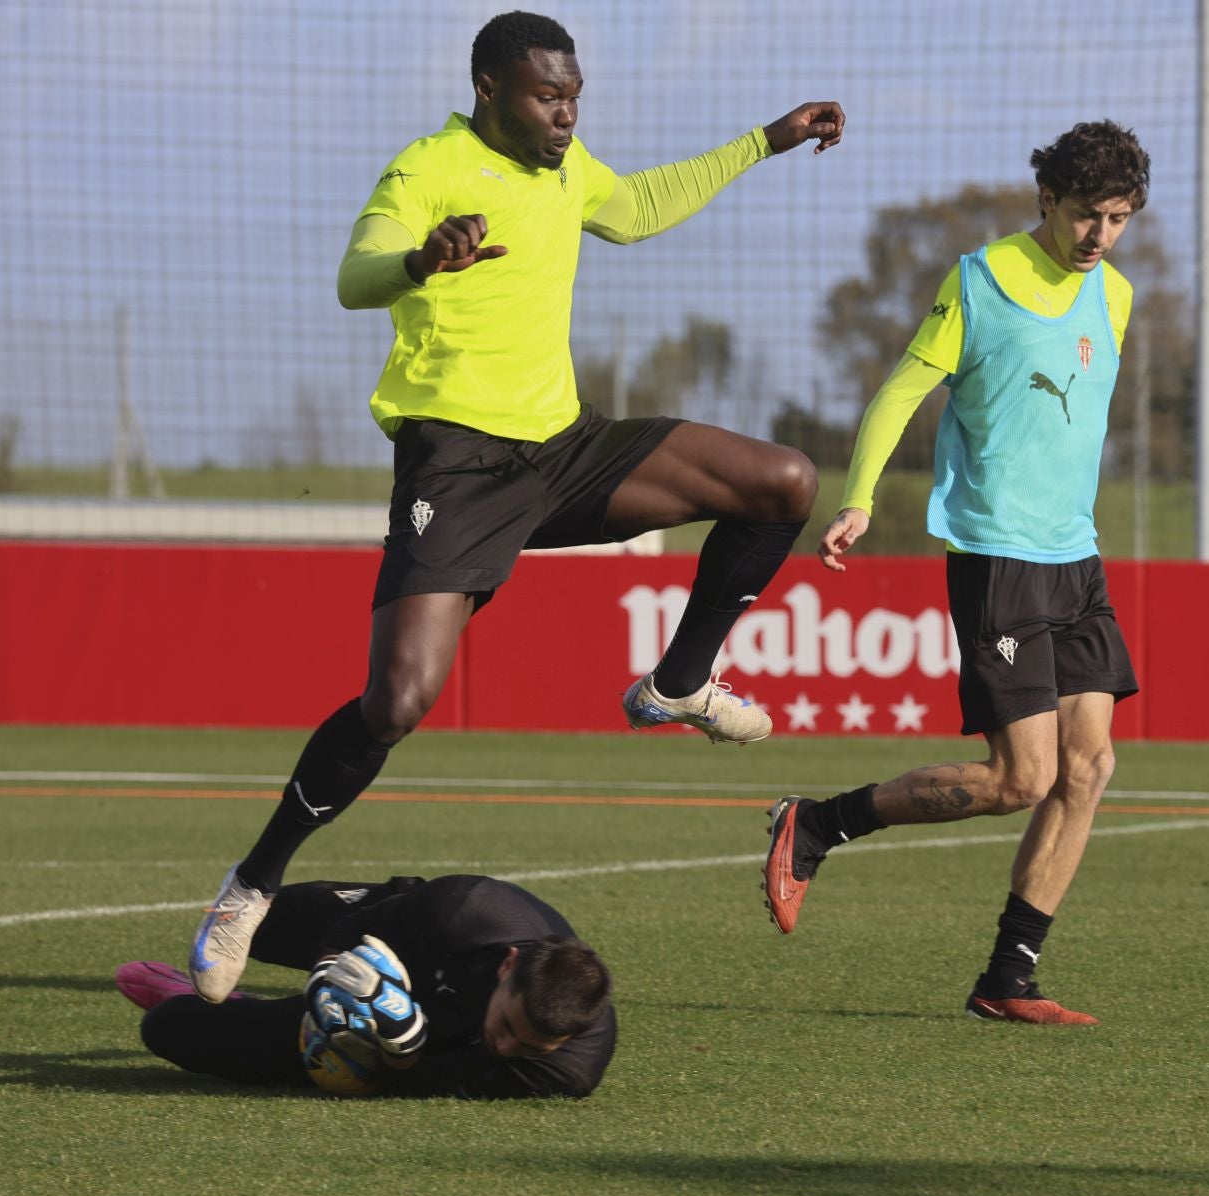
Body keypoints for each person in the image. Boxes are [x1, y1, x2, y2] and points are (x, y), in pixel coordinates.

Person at [188, 11, 845, 1002]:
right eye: (548, 95)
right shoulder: (428, 169)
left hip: (566, 449)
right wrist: (421, 261)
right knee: (397, 700)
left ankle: (678, 678)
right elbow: (353, 276)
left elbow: (636, 207)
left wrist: (766, 140)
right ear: (491, 89)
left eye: (575, 94)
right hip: (455, 466)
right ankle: (252, 884)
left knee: (781, 481)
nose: (567, 113)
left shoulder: (567, 169)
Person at [760, 121, 1151, 1026]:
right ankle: (818, 824)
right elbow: (902, 389)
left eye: (1120, 219)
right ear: (1047, 200)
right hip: (998, 559)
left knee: (1088, 769)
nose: (1100, 235)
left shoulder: (1118, 298)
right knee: (1021, 779)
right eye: (1088, 214)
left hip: (1076, 559)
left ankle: (1008, 980)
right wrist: (860, 498)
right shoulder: (979, 280)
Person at [126, 874, 614, 1099]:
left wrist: (402, 1042)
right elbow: (345, 937)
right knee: (262, 921)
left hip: (417, 1038)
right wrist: (327, 983)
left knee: (169, 1027)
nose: (505, 1047)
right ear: (509, 967)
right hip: (410, 936)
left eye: (529, 1046)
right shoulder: (464, 909)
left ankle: (241, 1007)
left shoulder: (567, 1068)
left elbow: (416, 1082)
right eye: (507, 1024)